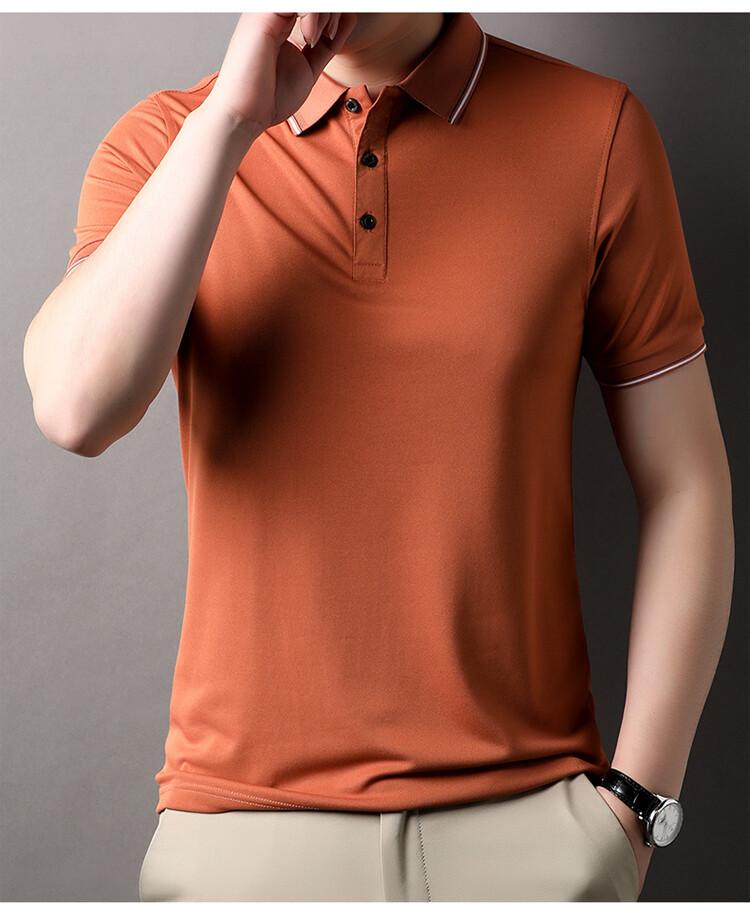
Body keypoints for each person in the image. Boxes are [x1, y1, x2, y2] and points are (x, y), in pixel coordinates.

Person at [23, 11, 734, 902]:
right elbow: (76, 408)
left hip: (528, 832)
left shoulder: (597, 131)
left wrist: (636, 805)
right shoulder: (168, 139)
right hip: (241, 835)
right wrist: (232, 123)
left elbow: (686, 484)